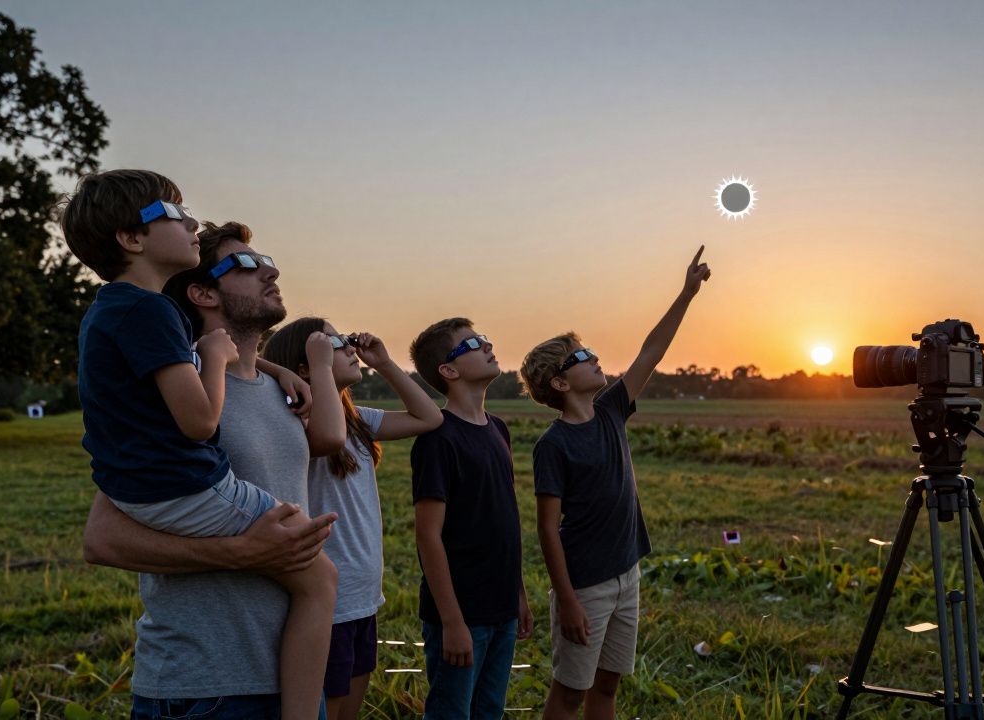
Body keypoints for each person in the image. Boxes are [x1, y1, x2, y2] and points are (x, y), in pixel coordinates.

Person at [63, 171, 338, 720]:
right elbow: (103, 539)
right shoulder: (172, 372)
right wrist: (241, 554)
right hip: (206, 687)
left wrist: (278, 368)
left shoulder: (267, 385)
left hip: (286, 683)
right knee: (320, 578)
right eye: (244, 264)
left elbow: (328, 439)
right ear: (202, 292)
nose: (271, 270)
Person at [519, 246, 712, 720]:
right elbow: (547, 529)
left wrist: (686, 294)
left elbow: (651, 350)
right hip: (585, 586)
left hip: (628, 574)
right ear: (560, 385)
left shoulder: (611, 410)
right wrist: (567, 601)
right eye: (581, 357)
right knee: (569, 692)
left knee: (606, 688)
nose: (594, 357)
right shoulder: (553, 444)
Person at [261, 318, 443, 720]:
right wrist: (317, 369)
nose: (348, 348)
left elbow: (429, 417)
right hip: (327, 602)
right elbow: (321, 436)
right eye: (334, 342)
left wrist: (385, 364)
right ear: (306, 364)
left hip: (362, 598)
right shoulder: (299, 422)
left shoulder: (358, 420)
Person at [408, 318, 533, 719]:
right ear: (449, 370)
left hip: (501, 606)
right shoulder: (438, 438)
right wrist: (452, 622)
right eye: (474, 344)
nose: (487, 345)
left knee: (489, 710)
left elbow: (504, 519)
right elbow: (429, 536)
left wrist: (519, 593)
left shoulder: (497, 428)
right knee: (451, 712)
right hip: (461, 615)